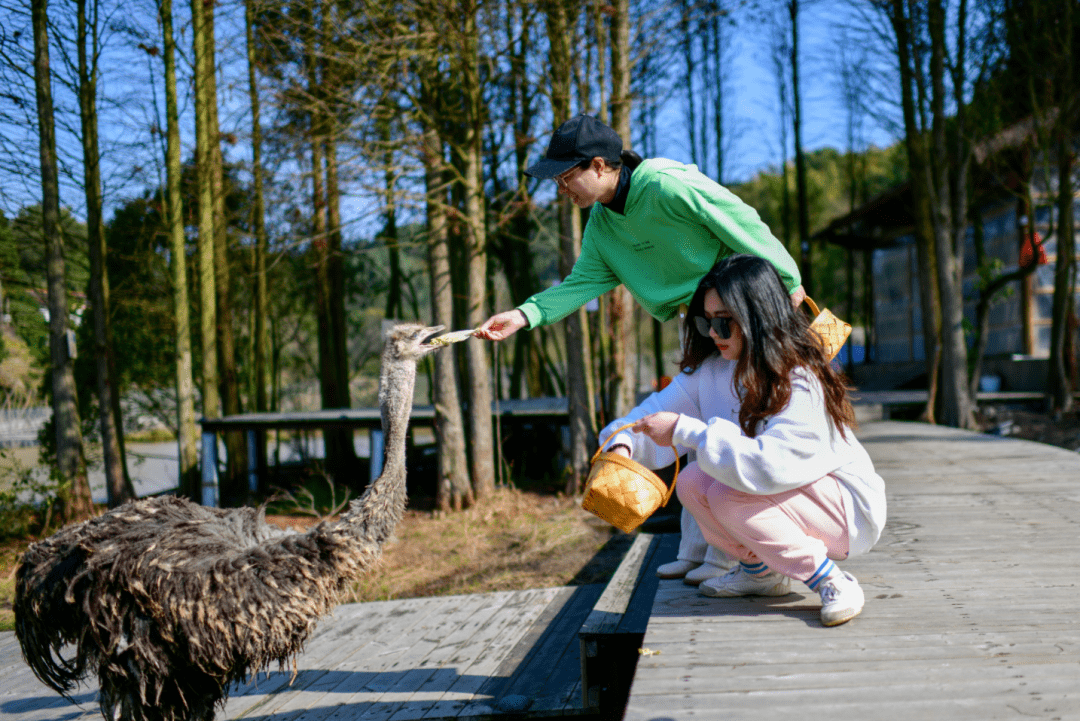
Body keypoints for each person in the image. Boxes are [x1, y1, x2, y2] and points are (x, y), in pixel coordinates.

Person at [598, 254, 886, 627]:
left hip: (847, 511)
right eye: (705, 322)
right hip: (779, 496)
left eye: (723, 323)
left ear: (757, 317)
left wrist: (688, 431)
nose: (713, 334)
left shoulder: (799, 377)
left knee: (724, 492)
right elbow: (649, 414)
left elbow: (770, 467)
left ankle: (832, 580)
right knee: (692, 481)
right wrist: (622, 443)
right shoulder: (711, 371)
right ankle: (760, 573)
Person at [473, 114, 806, 342]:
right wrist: (523, 315)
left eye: (565, 178)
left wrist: (788, 281)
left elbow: (740, 221)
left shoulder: (666, 184)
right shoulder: (601, 228)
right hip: (699, 326)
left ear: (599, 166)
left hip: (750, 304)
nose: (561, 190)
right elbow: (580, 284)